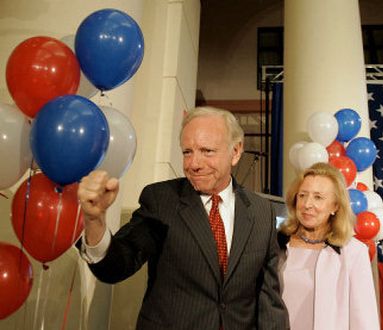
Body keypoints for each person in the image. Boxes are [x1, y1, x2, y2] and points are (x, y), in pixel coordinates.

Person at [77, 106, 289, 330]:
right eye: (187, 152)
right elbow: (117, 265)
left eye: (207, 151)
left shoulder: (261, 212)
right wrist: (95, 221)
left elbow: (269, 303)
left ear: (235, 152)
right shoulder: (161, 200)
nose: (194, 164)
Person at [278, 162, 380, 330]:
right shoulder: (277, 243)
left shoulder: (354, 253)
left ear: (335, 206)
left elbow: (364, 321)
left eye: (318, 197)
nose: (307, 204)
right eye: (302, 195)